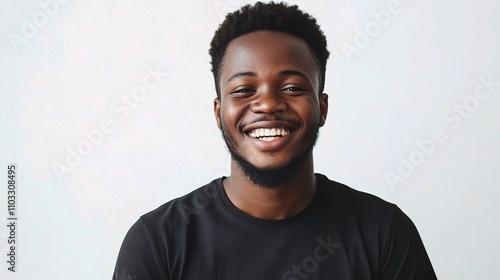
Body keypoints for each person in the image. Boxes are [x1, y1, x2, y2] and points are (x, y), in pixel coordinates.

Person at [113, 2, 437, 279]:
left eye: (292, 88)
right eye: (243, 90)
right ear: (218, 111)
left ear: (322, 108)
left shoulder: (384, 233)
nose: (267, 104)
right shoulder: (158, 242)